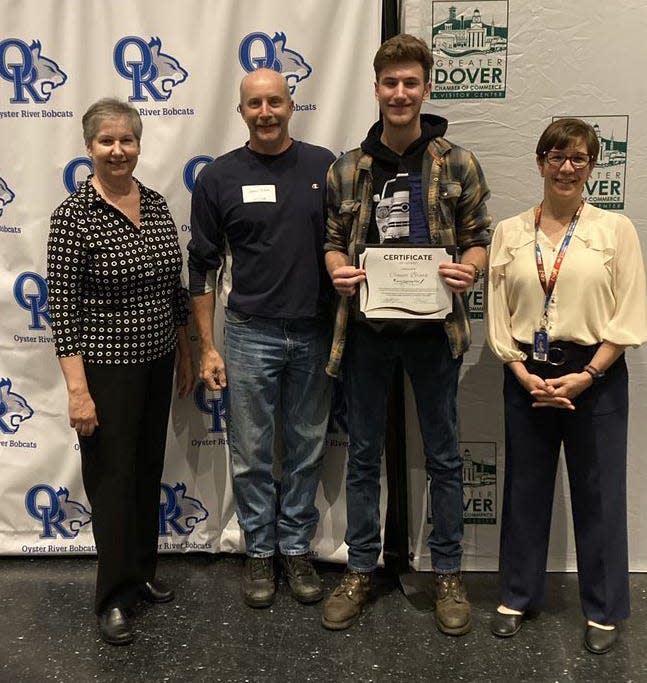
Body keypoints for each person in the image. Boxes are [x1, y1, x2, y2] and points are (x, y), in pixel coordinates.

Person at [322, 34, 490, 635]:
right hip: (368, 331)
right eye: (389, 83)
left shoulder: (458, 161)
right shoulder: (347, 167)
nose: (400, 93)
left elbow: (479, 236)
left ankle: (447, 573)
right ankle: (361, 568)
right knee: (364, 456)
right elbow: (334, 243)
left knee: (444, 457)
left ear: (425, 88)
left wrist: (469, 267)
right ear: (375, 89)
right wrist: (338, 271)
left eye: (410, 83)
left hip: (433, 332)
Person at [487, 118, 647, 654]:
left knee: (600, 493)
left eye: (578, 158)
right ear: (540, 162)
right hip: (527, 372)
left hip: (595, 375)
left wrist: (587, 375)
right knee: (525, 488)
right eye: (556, 156)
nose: (567, 167)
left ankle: (603, 609)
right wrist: (519, 370)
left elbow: (628, 315)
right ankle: (516, 594)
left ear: (592, 167)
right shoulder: (509, 232)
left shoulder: (615, 229)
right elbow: (497, 313)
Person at [47, 98, 194, 646]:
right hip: (106, 373)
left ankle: (143, 574)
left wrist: (183, 346)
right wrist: (78, 391)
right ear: (89, 149)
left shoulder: (154, 205)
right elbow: (62, 309)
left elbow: (173, 288)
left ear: (138, 145)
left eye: (126, 140)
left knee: (145, 471)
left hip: (156, 363)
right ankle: (113, 596)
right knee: (111, 483)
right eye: (106, 141)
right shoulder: (73, 218)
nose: (117, 150)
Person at [187, 68, 335, 609]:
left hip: (316, 331)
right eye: (255, 104)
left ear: (291, 104)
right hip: (249, 334)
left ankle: (296, 549)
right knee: (250, 452)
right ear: (242, 111)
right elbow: (201, 267)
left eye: (275, 101)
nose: (266, 112)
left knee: (306, 447)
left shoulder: (326, 166)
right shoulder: (218, 178)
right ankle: (259, 550)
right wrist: (207, 345)